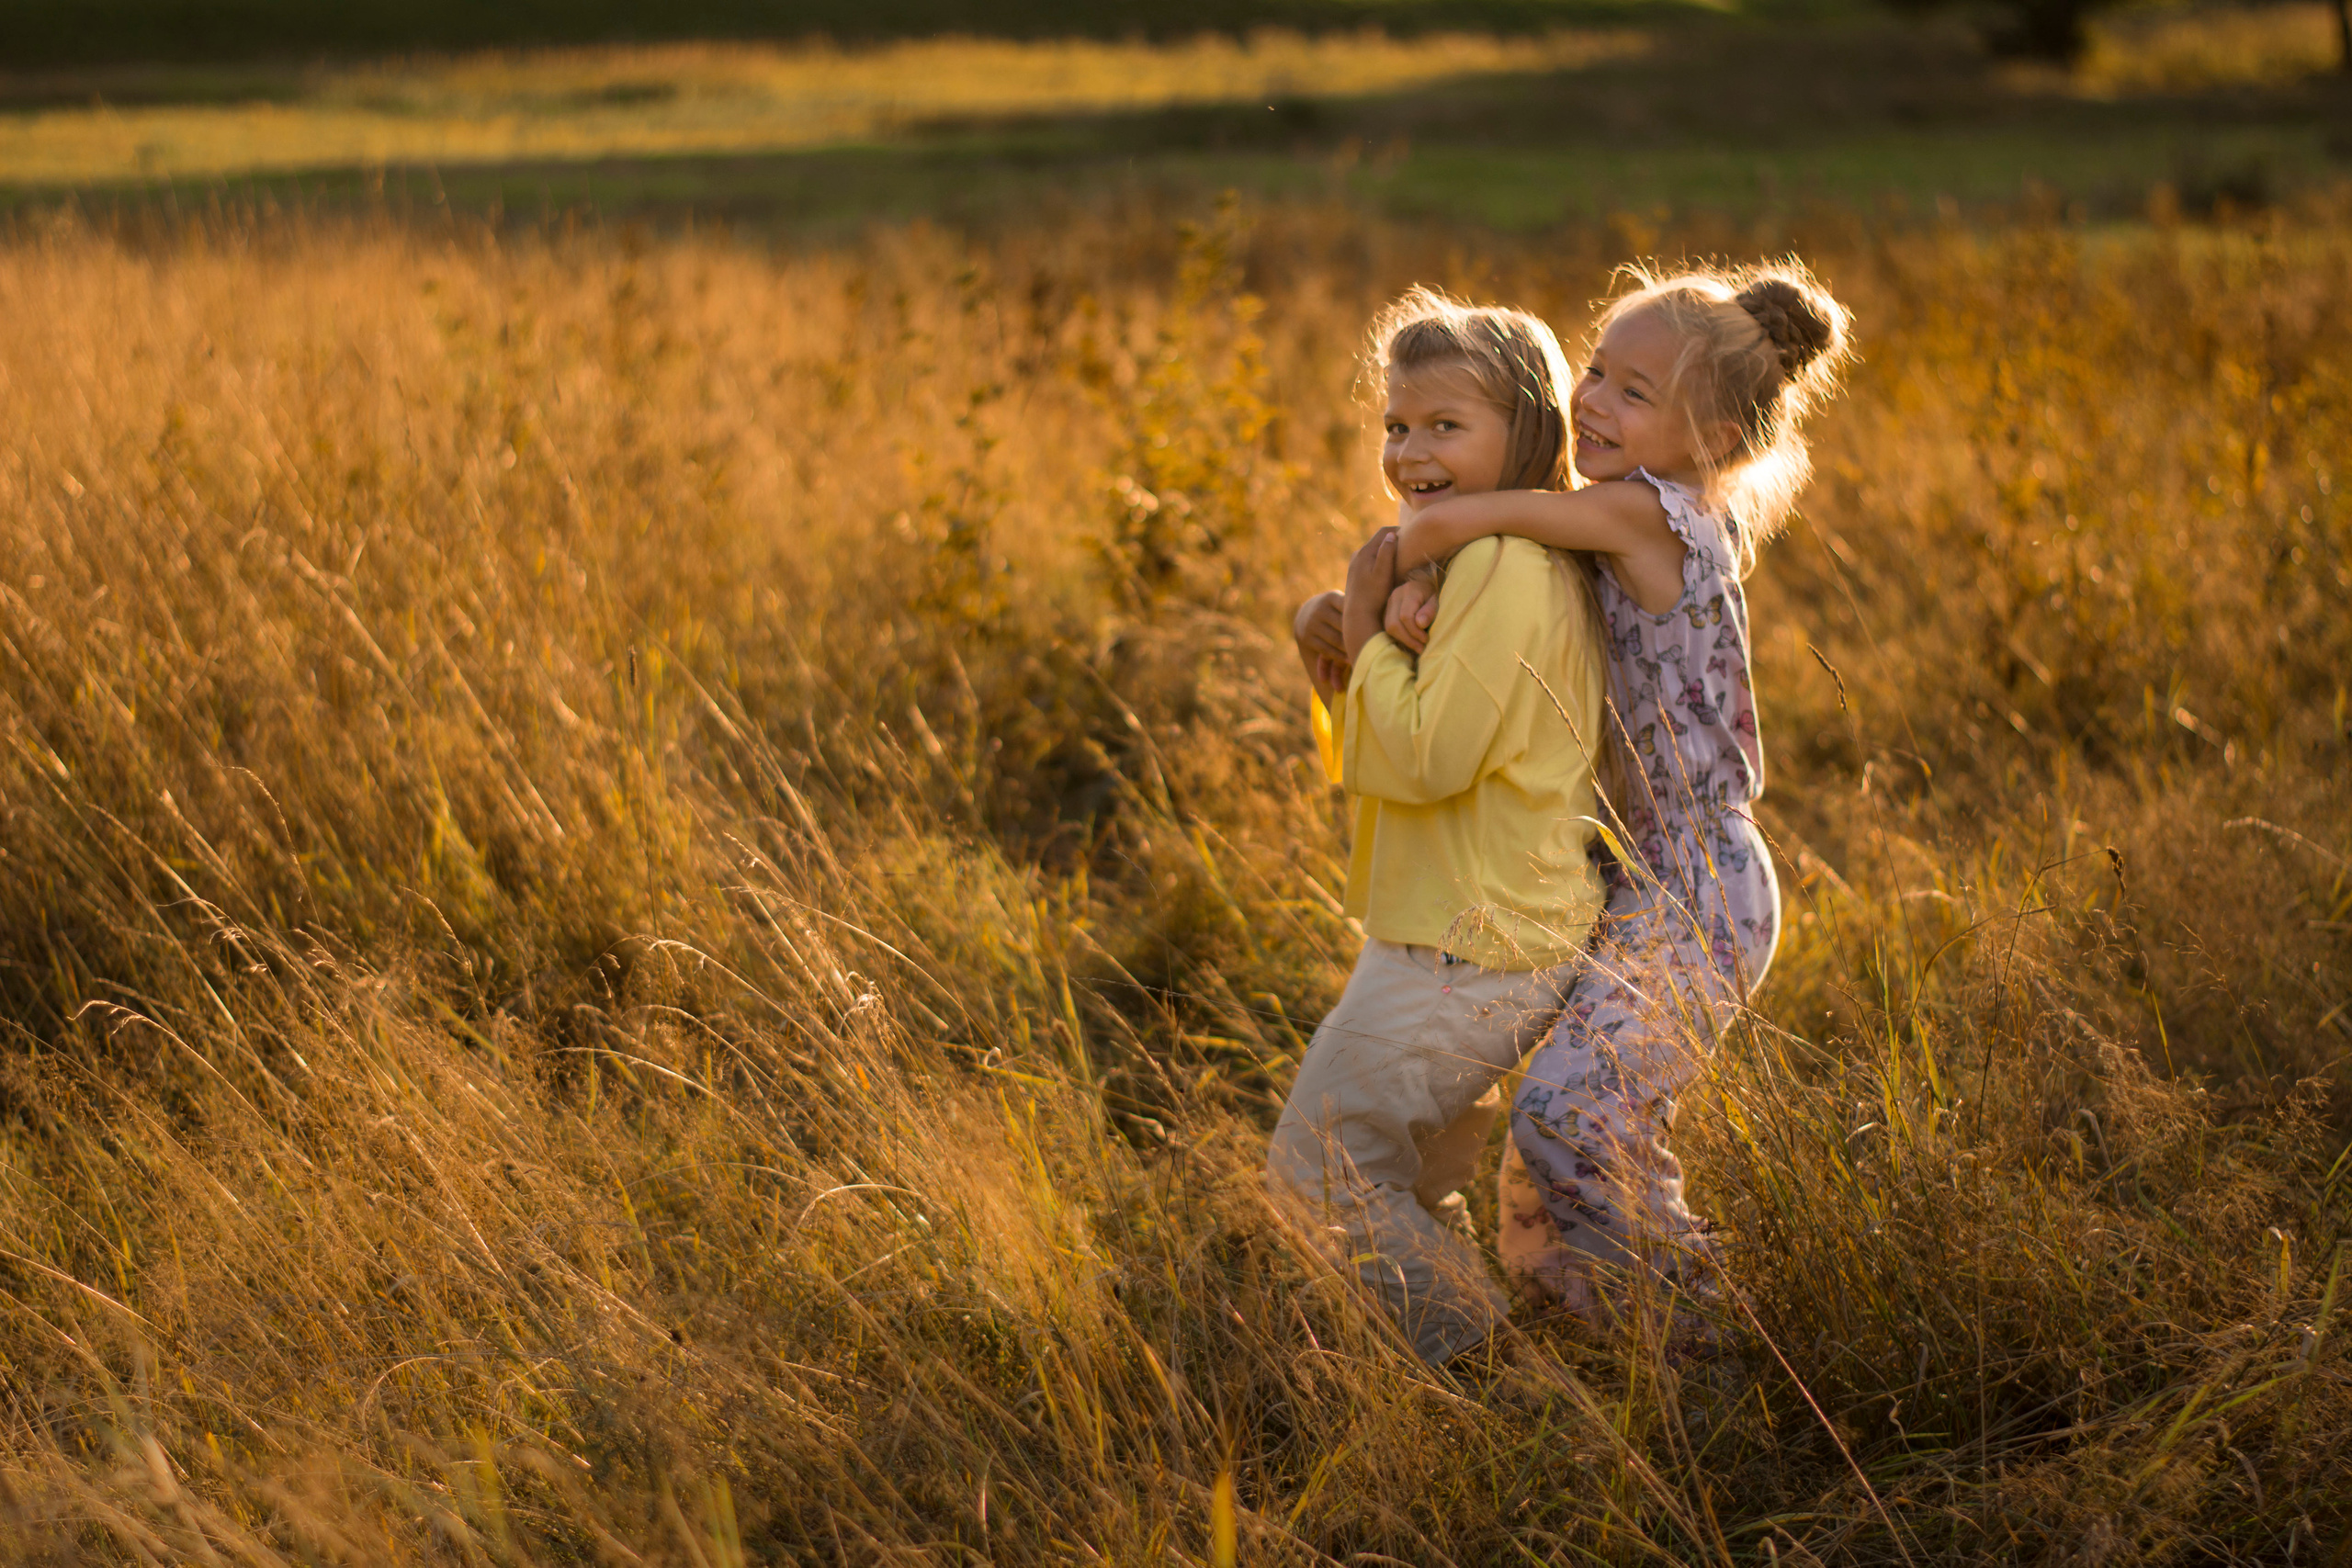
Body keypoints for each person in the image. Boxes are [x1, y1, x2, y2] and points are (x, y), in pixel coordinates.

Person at [1381, 262, 1853, 1323]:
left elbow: (1462, 520)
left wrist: (1405, 566)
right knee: (1549, 1125)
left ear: (1717, 441)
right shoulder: (1653, 511)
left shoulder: (1646, 515)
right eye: (1596, 368)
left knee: (1571, 1117)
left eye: (1634, 394)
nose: (1590, 399)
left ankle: (1699, 1346)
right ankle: (1574, 1327)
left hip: (1696, 878)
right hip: (1648, 868)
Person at [1268, 288, 1608, 1367]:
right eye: (1395, 427)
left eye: (1445, 426)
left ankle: (1491, 1373)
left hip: (1470, 945)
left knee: (1314, 1172)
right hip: (1452, 931)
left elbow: (1421, 758)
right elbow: (1372, 762)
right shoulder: (1464, 565)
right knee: (1409, 1182)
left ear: (1530, 432)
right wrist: (1338, 646)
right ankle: (1453, 1378)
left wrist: (1367, 630)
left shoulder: (1507, 567)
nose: (1410, 451)